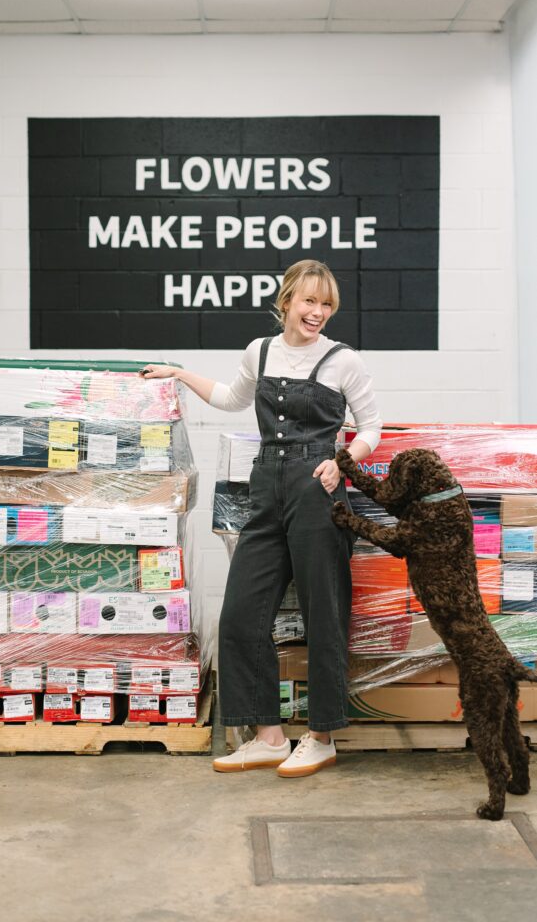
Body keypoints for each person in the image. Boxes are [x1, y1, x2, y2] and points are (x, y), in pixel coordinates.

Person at [140, 259, 381, 777]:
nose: (317, 312)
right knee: (241, 615)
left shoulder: (344, 361)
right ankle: (269, 735)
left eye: (327, 304)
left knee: (324, 614)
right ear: (288, 300)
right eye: (309, 301)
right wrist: (180, 372)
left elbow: (372, 426)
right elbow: (231, 399)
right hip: (266, 488)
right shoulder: (261, 351)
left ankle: (321, 736)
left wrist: (342, 462)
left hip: (318, 491)